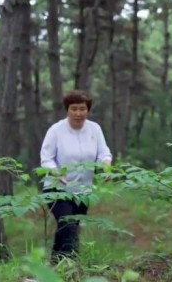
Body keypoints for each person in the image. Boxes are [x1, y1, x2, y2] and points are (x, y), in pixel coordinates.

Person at [40, 90, 112, 263]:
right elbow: (46, 158)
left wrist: (106, 167)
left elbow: (103, 152)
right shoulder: (56, 130)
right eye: (74, 109)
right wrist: (56, 173)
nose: (78, 113)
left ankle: (54, 267)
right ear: (67, 110)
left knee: (71, 227)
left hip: (83, 190)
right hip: (57, 188)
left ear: (88, 110)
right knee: (68, 225)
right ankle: (71, 266)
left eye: (82, 109)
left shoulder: (95, 129)